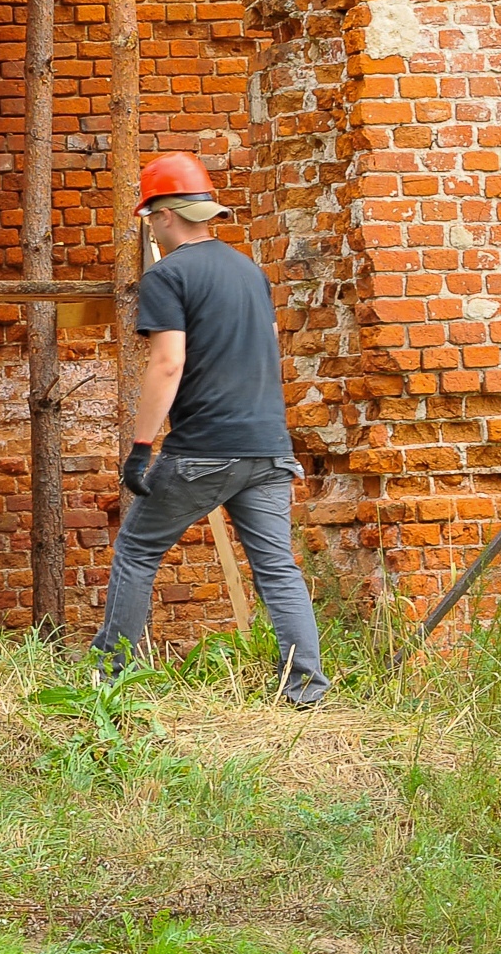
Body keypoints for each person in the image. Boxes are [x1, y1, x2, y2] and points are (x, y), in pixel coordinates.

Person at [96, 153, 328, 706]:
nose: (152, 228)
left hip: (204, 448)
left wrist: (140, 447)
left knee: (136, 550)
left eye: (151, 217)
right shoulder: (250, 272)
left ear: (167, 216)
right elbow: (269, 350)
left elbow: (167, 363)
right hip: (268, 446)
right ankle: (306, 691)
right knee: (276, 568)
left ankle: (111, 680)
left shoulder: (168, 275)